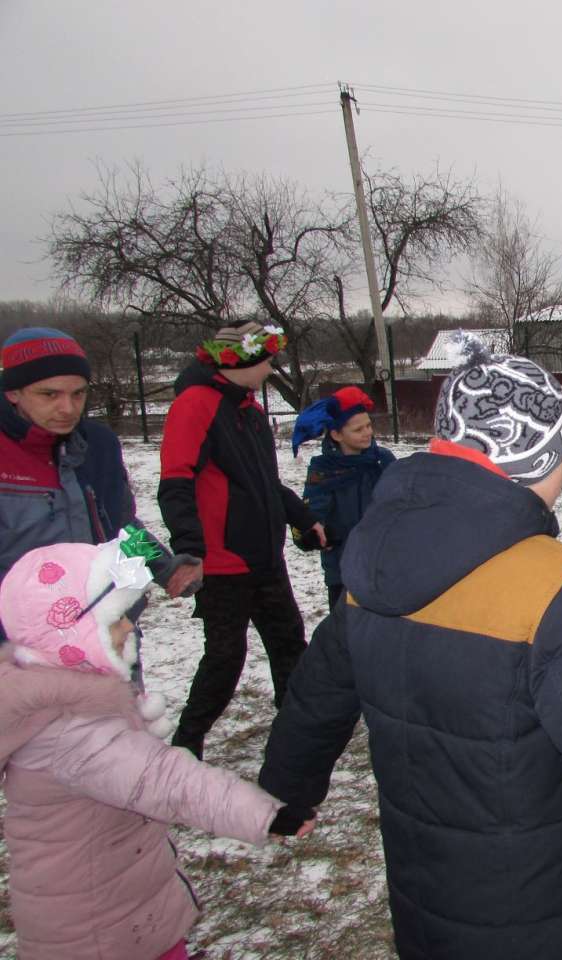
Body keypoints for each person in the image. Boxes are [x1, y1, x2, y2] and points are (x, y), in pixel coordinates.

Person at [257, 343, 562, 960]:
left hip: (423, 897)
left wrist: (288, 790)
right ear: (545, 459)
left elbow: (318, 694)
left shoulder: (377, 549)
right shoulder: (554, 588)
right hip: (537, 911)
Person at [0, 534, 297, 960]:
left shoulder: (60, 695)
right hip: (100, 933)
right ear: (69, 636)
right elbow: (166, 781)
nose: (128, 628)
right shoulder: (71, 731)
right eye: (114, 619)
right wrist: (266, 815)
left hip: (114, 901)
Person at [158, 321, 324, 761]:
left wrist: (303, 518)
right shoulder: (195, 405)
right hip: (222, 560)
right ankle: (187, 743)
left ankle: (294, 730)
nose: (272, 368)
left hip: (264, 556)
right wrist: (191, 551)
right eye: (267, 360)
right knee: (226, 657)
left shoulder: (249, 409)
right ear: (242, 362)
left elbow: (263, 483)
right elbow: (176, 482)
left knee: (290, 642)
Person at [0, 326, 201, 644]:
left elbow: (123, 528)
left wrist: (164, 566)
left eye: (78, 393)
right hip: (22, 648)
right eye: (49, 394)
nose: (67, 408)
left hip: (108, 632)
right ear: (13, 392)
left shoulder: (99, 446)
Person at [291, 386, 396, 610]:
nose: (367, 432)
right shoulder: (323, 471)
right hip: (343, 570)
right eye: (358, 429)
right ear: (336, 434)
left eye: (369, 425)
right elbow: (308, 517)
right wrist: (313, 533)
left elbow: (401, 502)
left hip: (384, 566)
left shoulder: (383, 461)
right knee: (345, 635)